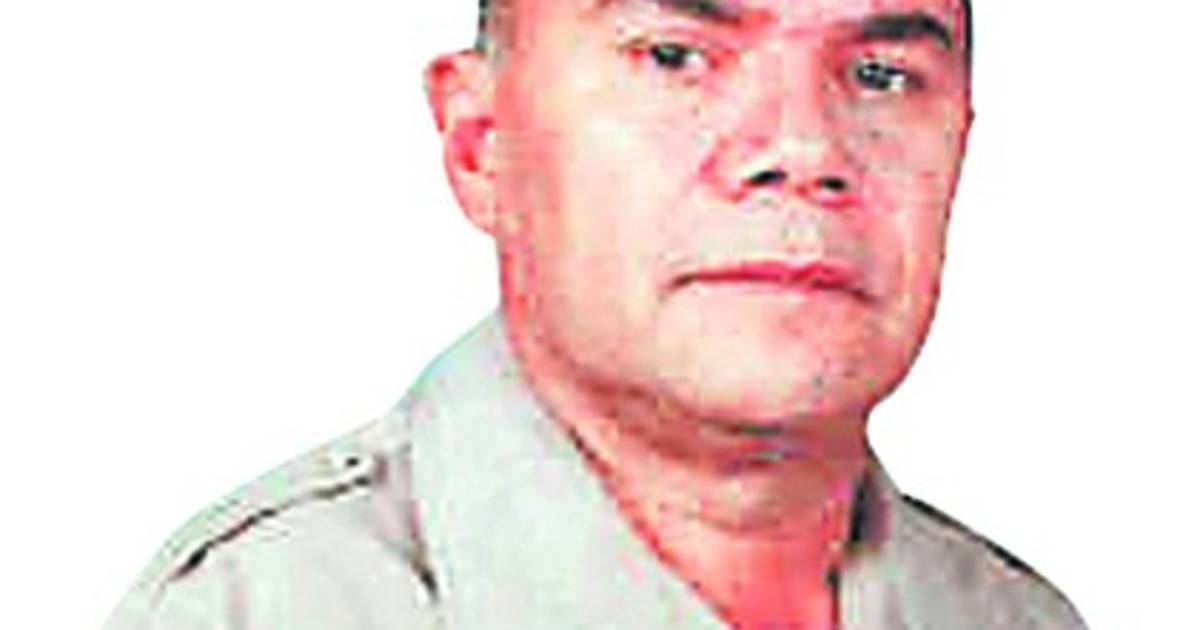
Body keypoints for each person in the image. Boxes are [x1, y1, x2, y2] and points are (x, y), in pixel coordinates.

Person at [103, 0, 1088, 628]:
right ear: (481, 143)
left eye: (880, 76)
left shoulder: (1016, 619)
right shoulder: (262, 610)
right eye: (675, 56)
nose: (804, 148)